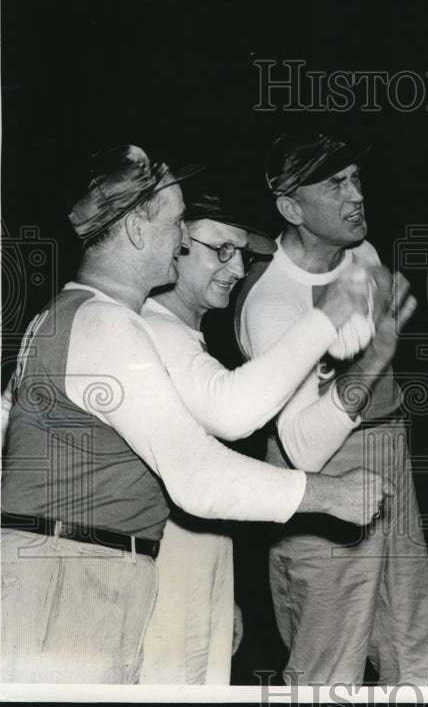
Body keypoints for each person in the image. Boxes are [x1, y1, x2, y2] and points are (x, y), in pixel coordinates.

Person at [0, 145, 391, 684]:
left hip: (76, 570)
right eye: (177, 221)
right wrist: (330, 494)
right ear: (136, 228)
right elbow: (198, 474)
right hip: (73, 574)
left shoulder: (74, 316)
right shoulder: (103, 325)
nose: (182, 239)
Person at [138, 187, 379, 684]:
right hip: (153, 576)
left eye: (242, 254)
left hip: (195, 566)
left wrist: (222, 593)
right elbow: (234, 413)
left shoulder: (187, 339)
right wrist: (328, 318)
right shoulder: (149, 332)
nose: (237, 267)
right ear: (173, 243)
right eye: (219, 249)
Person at [236, 131, 428, 686]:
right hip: (321, 478)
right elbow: (304, 444)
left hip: (388, 451)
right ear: (291, 206)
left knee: (419, 650)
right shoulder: (273, 301)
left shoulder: (362, 255)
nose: (356, 194)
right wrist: (378, 354)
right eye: (335, 184)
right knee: (329, 669)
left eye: (356, 178)